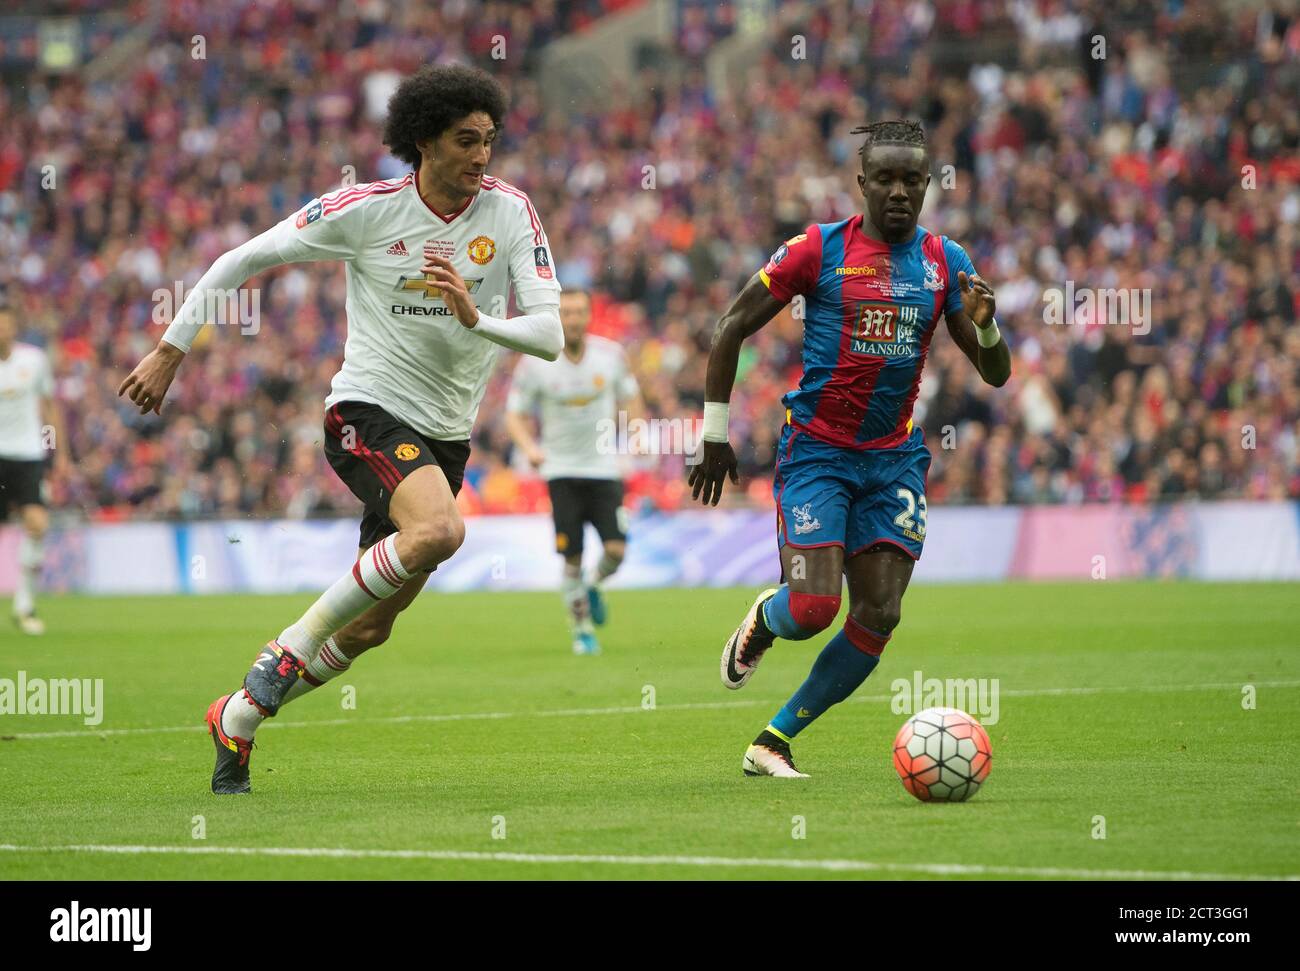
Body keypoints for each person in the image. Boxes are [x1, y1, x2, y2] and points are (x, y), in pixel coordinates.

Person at [118, 65, 563, 794]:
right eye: (464, 141)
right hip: (366, 410)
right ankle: (285, 650)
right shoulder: (365, 209)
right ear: (422, 142)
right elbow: (244, 258)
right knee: (441, 532)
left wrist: (477, 319)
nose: (482, 156)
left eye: (489, 140)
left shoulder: (511, 212)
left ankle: (237, 715)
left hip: (444, 437)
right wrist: (172, 347)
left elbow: (549, 336)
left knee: (366, 630)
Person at [688, 120, 1011, 777]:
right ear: (860, 182)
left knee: (880, 611)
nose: (898, 191)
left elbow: (995, 373)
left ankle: (773, 739)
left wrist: (988, 326)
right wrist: (714, 433)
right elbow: (730, 326)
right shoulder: (818, 249)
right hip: (818, 453)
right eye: (885, 178)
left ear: (928, 185)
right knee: (811, 608)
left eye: (911, 180)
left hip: (892, 459)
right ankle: (766, 617)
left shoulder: (945, 262)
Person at [505, 289, 642, 655]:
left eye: (580, 312)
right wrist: (529, 448)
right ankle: (582, 629)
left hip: (604, 468)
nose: (574, 319)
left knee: (616, 549)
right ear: (556, 316)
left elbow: (632, 397)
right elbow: (514, 413)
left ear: (589, 315)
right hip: (561, 471)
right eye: (566, 313)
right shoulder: (535, 362)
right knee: (572, 557)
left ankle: (595, 585)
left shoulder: (610, 356)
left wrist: (636, 433)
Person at [0, 302, 67, 635]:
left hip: (27, 454)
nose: (3, 331)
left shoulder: (34, 360)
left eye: (7, 325)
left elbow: (50, 407)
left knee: (37, 523)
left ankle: (24, 603)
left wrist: (59, 453)